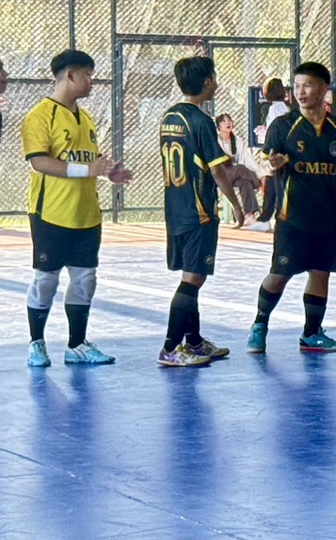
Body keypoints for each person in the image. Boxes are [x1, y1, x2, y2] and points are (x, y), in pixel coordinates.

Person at [22, 49, 131, 367]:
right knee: (46, 279)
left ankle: (76, 345)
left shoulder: (87, 118)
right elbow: (39, 162)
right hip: (51, 213)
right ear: (70, 75)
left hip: (87, 214)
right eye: (87, 75)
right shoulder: (40, 115)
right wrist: (88, 170)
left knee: (85, 279)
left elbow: (88, 161)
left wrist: (108, 172)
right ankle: (36, 343)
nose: (91, 81)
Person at [246, 62, 336, 355]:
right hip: (291, 216)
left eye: (307, 85)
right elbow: (266, 160)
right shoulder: (283, 126)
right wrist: (273, 164)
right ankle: (259, 324)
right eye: (296, 86)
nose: (300, 92)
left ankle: (311, 333)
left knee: (321, 273)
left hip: (326, 216)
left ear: (324, 89)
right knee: (279, 275)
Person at [156, 57, 246, 367]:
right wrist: (236, 204)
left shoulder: (170, 116)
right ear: (207, 82)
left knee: (190, 275)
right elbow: (218, 170)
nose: (216, 82)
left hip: (175, 208)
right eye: (214, 77)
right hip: (199, 212)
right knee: (193, 279)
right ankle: (170, 348)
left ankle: (193, 342)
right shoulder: (201, 121)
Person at [250, 77, 291, 231]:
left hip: (276, 154)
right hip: (281, 152)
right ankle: (266, 218)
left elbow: (275, 132)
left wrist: (268, 154)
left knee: (276, 187)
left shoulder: (275, 110)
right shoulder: (283, 108)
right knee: (272, 187)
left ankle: (272, 218)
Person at [216, 113, 263, 216]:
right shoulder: (215, 140)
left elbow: (247, 158)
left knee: (245, 182)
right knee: (240, 168)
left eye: (229, 120)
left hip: (234, 174)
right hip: (220, 176)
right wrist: (260, 176)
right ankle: (260, 184)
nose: (227, 123)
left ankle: (250, 213)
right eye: (224, 121)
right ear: (218, 127)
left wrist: (258, 171)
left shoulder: (237, 140)